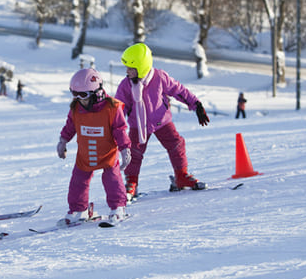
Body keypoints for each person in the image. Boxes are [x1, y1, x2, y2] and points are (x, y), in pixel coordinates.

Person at [115, 43, 210, 197]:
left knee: (176, 144)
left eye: (130, 68)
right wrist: (115, 128)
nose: (127, 71)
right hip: (138, 125)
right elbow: (119, 108)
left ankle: (181, 176)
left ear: (142, 67)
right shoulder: (126, 85)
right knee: (133, 153)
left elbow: (178, 90)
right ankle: (131, 182)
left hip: (162, 120)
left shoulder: (159, 77)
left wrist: (196, 104)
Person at [56, 68, 131, 225]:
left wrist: (125, 149)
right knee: (78, 181)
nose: (78, 99)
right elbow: (70, 126)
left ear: (96, 92)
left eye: (82, 95)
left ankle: (118, 208)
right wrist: (63, 141)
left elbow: (120, 130)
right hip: (85, 154)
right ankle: (79, 210)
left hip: (107, 153)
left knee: (112, 179)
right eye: (74, 94)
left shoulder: (112, 108)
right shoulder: (77, 108)